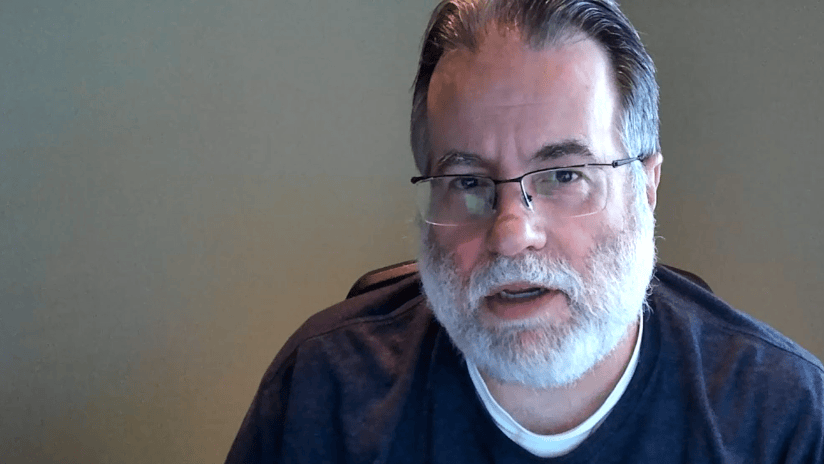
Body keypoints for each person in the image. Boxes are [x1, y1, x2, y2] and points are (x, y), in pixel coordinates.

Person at [225, 0, 824, 462]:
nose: (512, 234)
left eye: (565, 174)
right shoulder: (322, 393)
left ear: (645, 187)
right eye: (466, 182)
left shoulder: (786, 420)